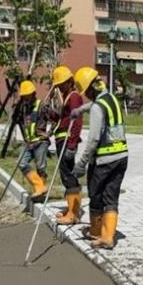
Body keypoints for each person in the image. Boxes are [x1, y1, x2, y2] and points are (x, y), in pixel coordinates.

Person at [71, 67, 128, 250]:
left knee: (96, 196)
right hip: (121, 157)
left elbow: (94, 139)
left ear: (90, 89)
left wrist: (81, 164)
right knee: (111, 197)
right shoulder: (111, 98)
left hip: (104, 160)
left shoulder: (97, 107)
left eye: (86, 92)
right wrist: (80, 110)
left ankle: (96, 232)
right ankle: (108, 237)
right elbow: (96, 105)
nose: (86, 95)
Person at [49, 65, 86, 226]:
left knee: (68, 176)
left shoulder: (74, 97)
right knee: (66, 175)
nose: (59, 87)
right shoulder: (66, 97)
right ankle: (71, 208)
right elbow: (63, 119)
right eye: (57, 85)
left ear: (69, 81)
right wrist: (50, 113)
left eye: (61, 84)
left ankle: (73, 213)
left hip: (67, 141)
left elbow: (76, 121)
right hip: (60, 139)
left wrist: (72, 144)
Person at [16, 80, 49, 203]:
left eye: (27, 95)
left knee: (41, 168)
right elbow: (20, 122)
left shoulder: (42, 105)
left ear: (33, 94)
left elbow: (56, 118)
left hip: (40, 142)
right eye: (24, 96)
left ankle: (40, 194)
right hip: (28, 142)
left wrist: (49, 133)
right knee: (21, 163)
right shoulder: (23, 108)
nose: (25, 98)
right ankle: (39, 186)